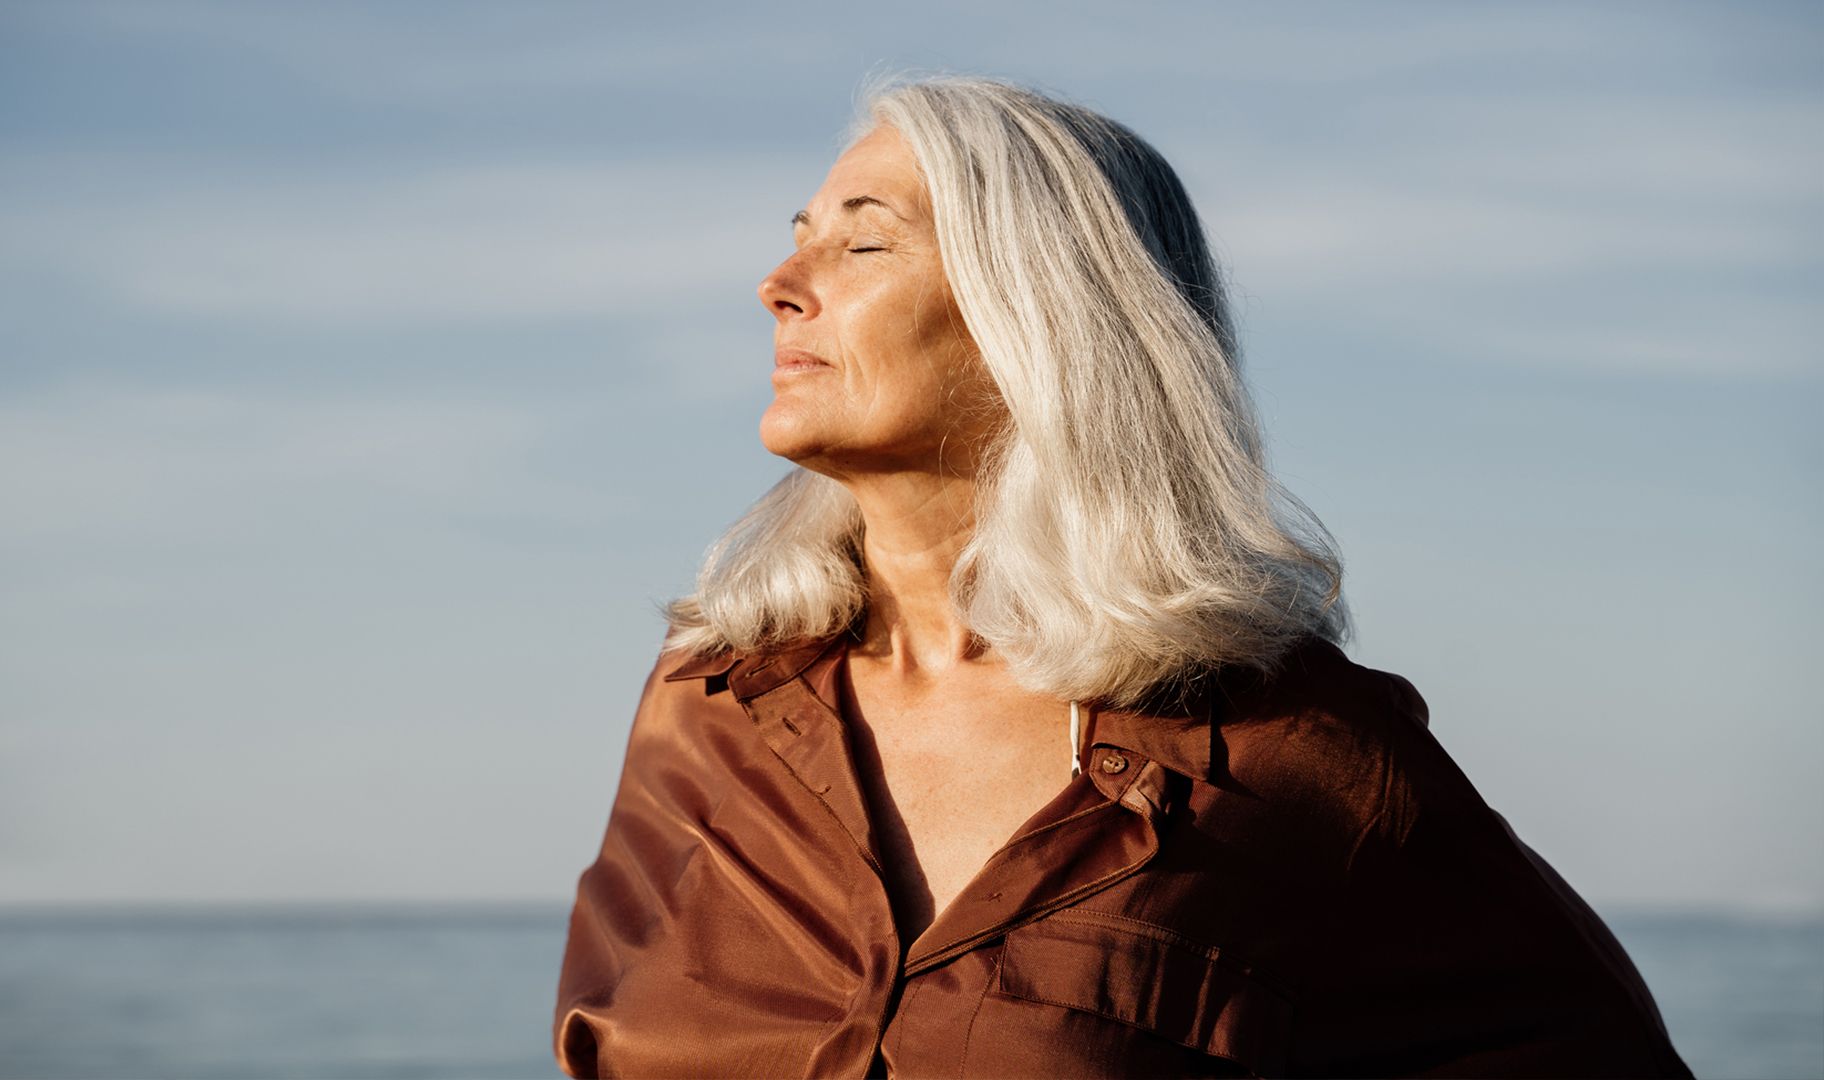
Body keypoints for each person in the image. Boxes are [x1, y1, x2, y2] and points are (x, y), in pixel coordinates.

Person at [553, 75, 1691, 1078]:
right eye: (798, 234)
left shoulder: (1295, 753)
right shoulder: (709, 698)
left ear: (1042, 315)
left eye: (862, 243)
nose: (779, 283)